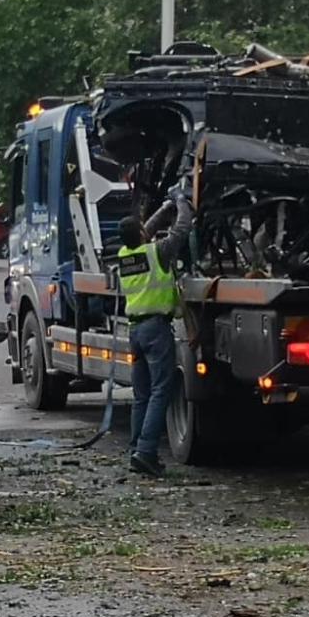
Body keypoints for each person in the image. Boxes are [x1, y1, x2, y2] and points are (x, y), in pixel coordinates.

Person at [118, 187, 193, 478]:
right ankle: (146, 452)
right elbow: (181, 230)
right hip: (155, 330)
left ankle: (137, 449)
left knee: (141, 394)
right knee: (162, 389)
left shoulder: (126, 254)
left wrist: (164, 208)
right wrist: (181, 203)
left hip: (135, 331)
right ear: (140, 234)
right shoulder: (156, 252)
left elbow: (145, 230)